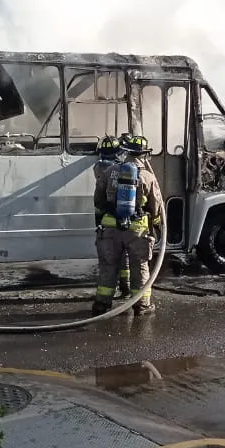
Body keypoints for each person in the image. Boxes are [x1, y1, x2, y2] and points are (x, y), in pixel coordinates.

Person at [93, 135, 165, 317]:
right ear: (144, 154)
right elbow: (156, 206)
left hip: (110, 228)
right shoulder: (148, 177)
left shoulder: (109, 171)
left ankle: (102, 305)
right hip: (137, 230)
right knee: (139, 266)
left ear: (125, 151)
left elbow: (98, 199)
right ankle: (141, 305)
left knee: (108, 266)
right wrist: (155, 225)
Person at [93, 136, 129, 296]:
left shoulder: (99, 168)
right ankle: (126, 288)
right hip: (124, 219)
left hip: (106, 220)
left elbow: (98, 200)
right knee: (124, 256)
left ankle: (104, 298)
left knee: (108, 259)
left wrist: (98, 222)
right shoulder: (122, 169)